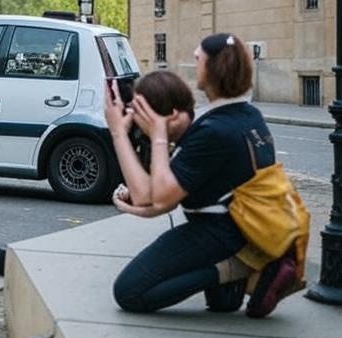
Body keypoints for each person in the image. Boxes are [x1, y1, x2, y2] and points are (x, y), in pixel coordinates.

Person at [0, 69, 199, 283]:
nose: (137, 122)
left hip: (198, 244)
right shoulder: (189, 141)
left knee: (69, 265)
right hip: (192, 239)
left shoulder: (198, 143)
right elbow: (151, 197)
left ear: (168, 115)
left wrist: (121, 134)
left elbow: (149, 198)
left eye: (140, 114)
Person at [105, 32, 299, 318]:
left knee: (129, 292)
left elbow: (152, 197)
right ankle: (230, 275)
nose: (195, 62)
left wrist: (121, 133)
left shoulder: (213, 132)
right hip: (246, 228)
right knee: (223, 304)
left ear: (212, 69)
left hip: (220, 232)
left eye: (199, 59)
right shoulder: (247, 116)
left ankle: (235, 268)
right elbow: (161, 194)